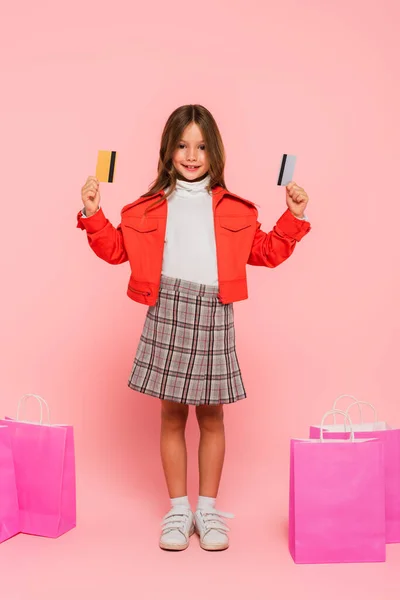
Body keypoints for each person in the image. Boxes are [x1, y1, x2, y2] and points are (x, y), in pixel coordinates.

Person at [77, 104, 311, 552]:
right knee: (170, 415)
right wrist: (92, 213)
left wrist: (292, 218)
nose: (191, 154)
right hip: (167, 306)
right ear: (168, 150)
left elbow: (264, 252)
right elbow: (113, 251)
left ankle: (207, 508)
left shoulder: (235, 209)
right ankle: (178, 509)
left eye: (201, 146)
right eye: (182, 145)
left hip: (214, 311)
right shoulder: (144, 208)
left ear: (214, 152)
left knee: (212, 415)